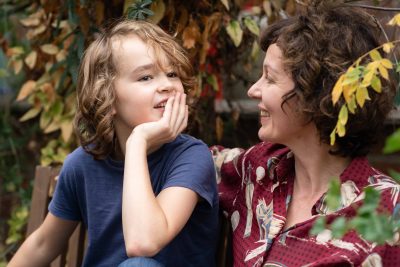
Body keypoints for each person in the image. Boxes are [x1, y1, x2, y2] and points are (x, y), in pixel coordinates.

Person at [8, 19, 219, 267]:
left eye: (172, 74)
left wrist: (137, 142)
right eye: (146, 77)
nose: (166, 85)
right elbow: (43, 243)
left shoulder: (190, 157)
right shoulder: (82, 165)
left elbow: (143, 243)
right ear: (106, 96)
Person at [212, 1, 400, 266]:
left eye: (270, 78)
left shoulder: (389, 212)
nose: (253, 90)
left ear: (314, 94)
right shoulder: (258, 170)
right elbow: (191, 159)